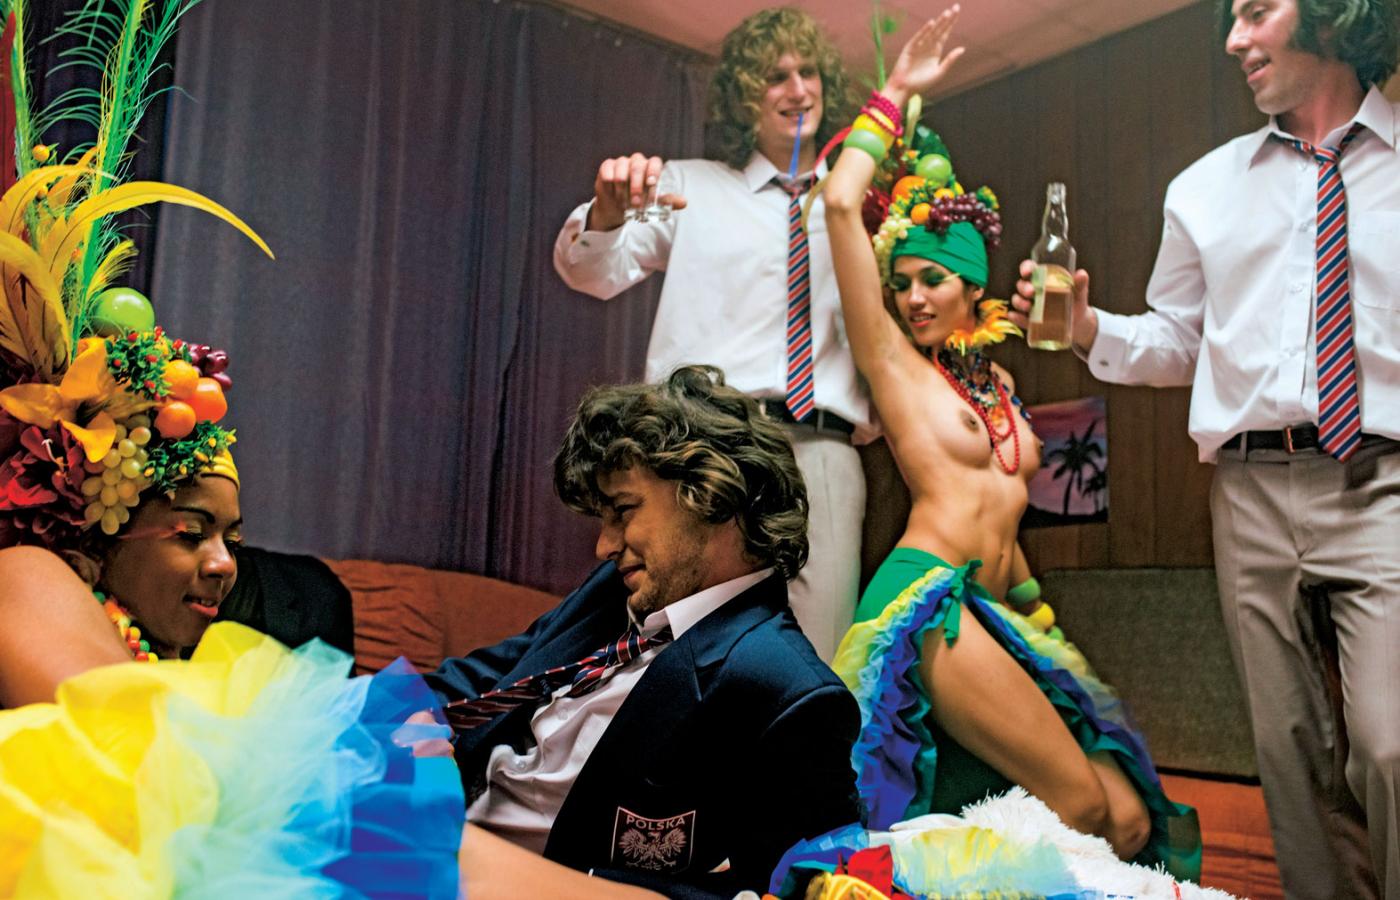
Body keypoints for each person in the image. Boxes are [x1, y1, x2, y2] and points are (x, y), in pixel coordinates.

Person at [1009, 0, 1399, 895]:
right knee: (1288, 749)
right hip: (1251, 490)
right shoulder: (1203, 188)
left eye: (1256, 12)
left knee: (1390, 741)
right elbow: (1178, 342)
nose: (1234, 40)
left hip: (1384, 482)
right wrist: (1087, 327)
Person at [813, 8, 1196, 876]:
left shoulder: (997, 386)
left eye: (932, 279)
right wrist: (895, 94)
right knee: (1078, 804)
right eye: (900, 282)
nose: (912, 298)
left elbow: (1008, 529)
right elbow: (838, 202)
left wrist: (1042, 624)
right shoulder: (895, 368)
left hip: (999, 611)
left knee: (1127, 817)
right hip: (928, 605)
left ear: (971, 286)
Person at [425, 365, 864, 899]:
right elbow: (477, 681)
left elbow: (807, 888)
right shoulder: (614, 592)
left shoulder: (788, 689)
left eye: (624, 510)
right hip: (422, 820)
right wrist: (410, 727)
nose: (604, 546)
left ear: (713, 496)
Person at [553, 7, 864, 662]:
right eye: (776, 76)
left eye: (808, 72)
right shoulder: (688, 186)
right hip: (703, 443)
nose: (798, 89)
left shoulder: (859, 207)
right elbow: (592, 272)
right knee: (681, 637)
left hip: (822, 448)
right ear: (745, 97)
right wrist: (606, 212)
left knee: (820, 651)